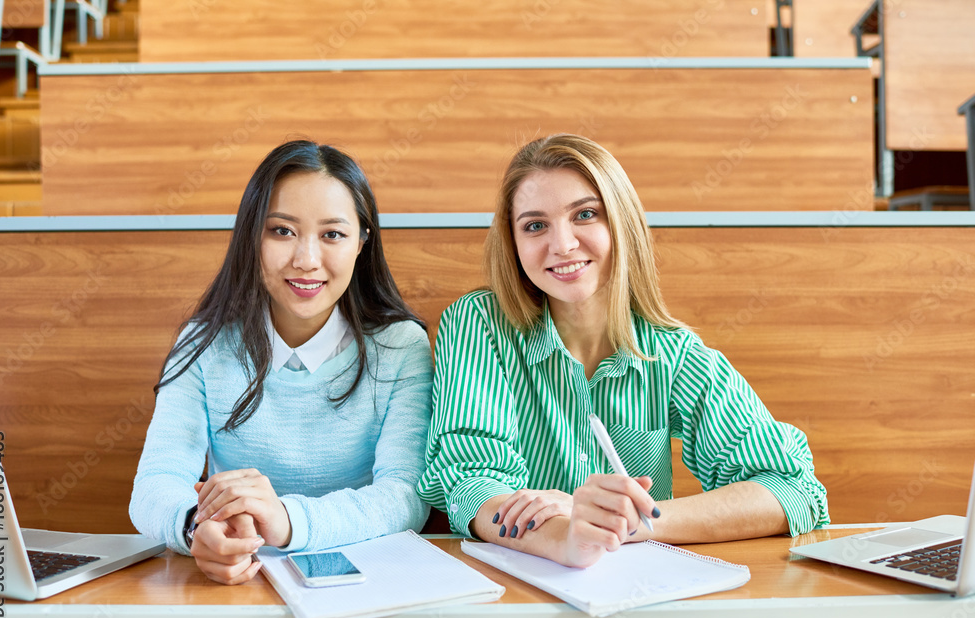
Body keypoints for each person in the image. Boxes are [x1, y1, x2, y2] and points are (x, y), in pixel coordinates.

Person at [417, 134, 828, 568]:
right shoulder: (479, 323)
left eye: (585, 215)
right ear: (513, 244)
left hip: (634, 593)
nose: (562, 245)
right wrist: (567, 538)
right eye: (535, 225)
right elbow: (473, 483)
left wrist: (625, 523)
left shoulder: (671, 353)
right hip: (518, 589)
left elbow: (793, 491)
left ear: (621, 223)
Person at [130, 140, 432, 584]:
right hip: (238, 586)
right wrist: (198, 527)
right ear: (252, 236)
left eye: (333, 234)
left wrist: (286, 521)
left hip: (361, 585)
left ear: (362, 243)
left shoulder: (401, 346)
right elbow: (156, 482)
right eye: (282, 231)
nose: (306, 261)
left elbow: (405, 497)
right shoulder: (204, 342)